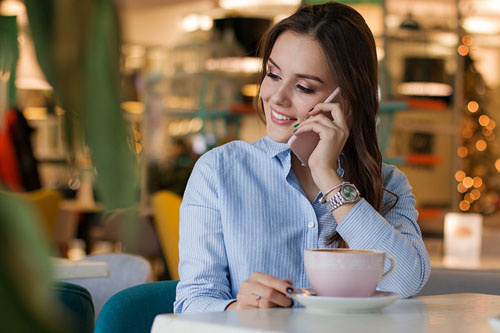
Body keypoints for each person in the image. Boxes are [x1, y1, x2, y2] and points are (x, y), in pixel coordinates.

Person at [174, 1, 430, 313]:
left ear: (345, 102)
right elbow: (192, 303)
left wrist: (328, 176)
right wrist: (238, 310)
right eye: (273, 74)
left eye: (304, 87)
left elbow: (405, 282)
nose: (276, 98)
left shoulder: (388, 183)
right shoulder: (218, 171)